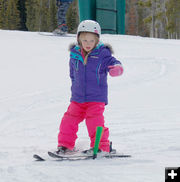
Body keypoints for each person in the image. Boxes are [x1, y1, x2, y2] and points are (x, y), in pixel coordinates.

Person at [55, 20, 124, 155]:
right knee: (68, 120)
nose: (88, 44)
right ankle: (64, 145)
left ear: (97, 40)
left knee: (95, 121)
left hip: (96, 98)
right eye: (84, 40)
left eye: (91, 40)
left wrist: (116, 68)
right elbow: (72, 74)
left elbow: (114, 63)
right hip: (78, 98)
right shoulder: (74, 54)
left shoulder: (103, 54)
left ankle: (100, 146)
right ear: (79, 39)